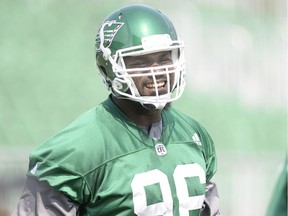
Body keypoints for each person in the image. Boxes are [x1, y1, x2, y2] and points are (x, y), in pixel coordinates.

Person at [13, 4, 221, 216]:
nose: (157, 72)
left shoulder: (195, 135)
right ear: (108, 69)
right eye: (140, 62)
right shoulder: (74, 151)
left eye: (164, 59)